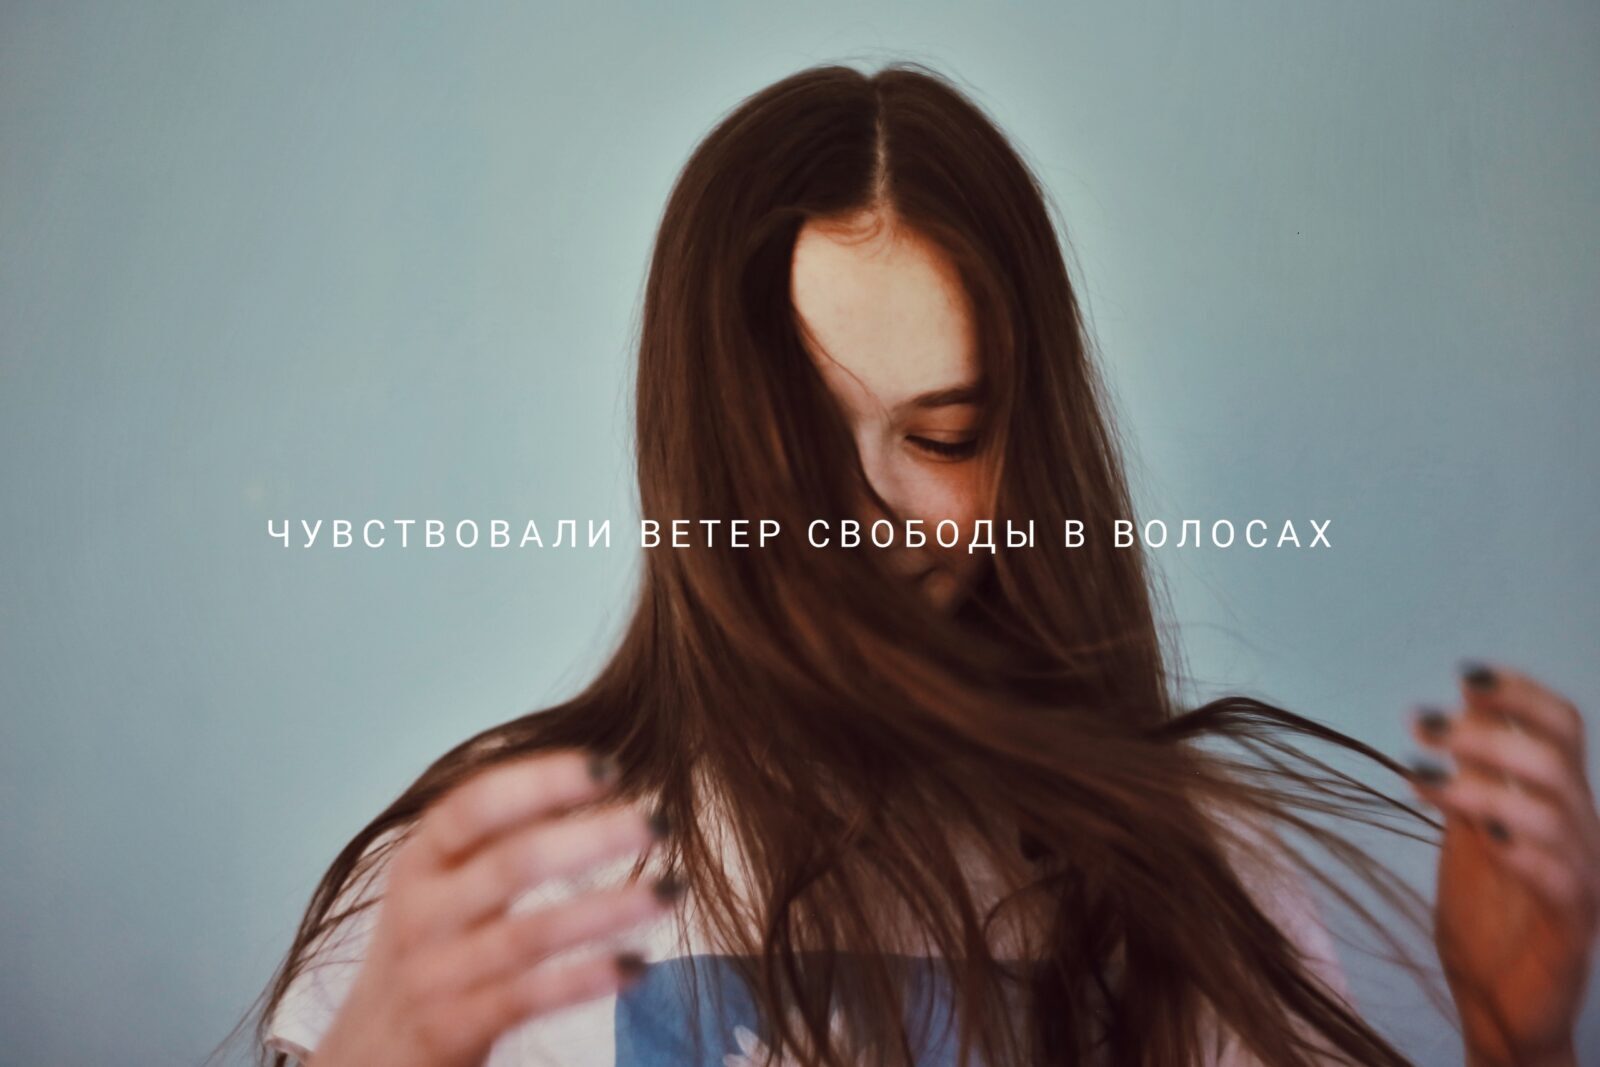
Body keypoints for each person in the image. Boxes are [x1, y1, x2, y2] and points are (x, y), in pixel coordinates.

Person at [253, 63, 1598, 1067]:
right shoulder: (484, 879)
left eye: (942, 437)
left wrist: (1513, 1042)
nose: (865, 515)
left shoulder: (1193, 878)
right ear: (695, 444)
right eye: (795, 437)